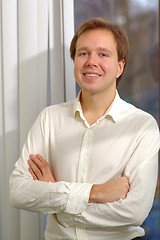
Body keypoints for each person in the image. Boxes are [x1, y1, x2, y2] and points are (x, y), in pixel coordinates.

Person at [9, 18, 160, 240]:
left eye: (103, 54)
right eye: (83, 53)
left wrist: (58, 201)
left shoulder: (142, 127)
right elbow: (18, 192)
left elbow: (133, 212)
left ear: (120, 67)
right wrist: (96, 192)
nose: (91, 61)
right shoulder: (49, 119)